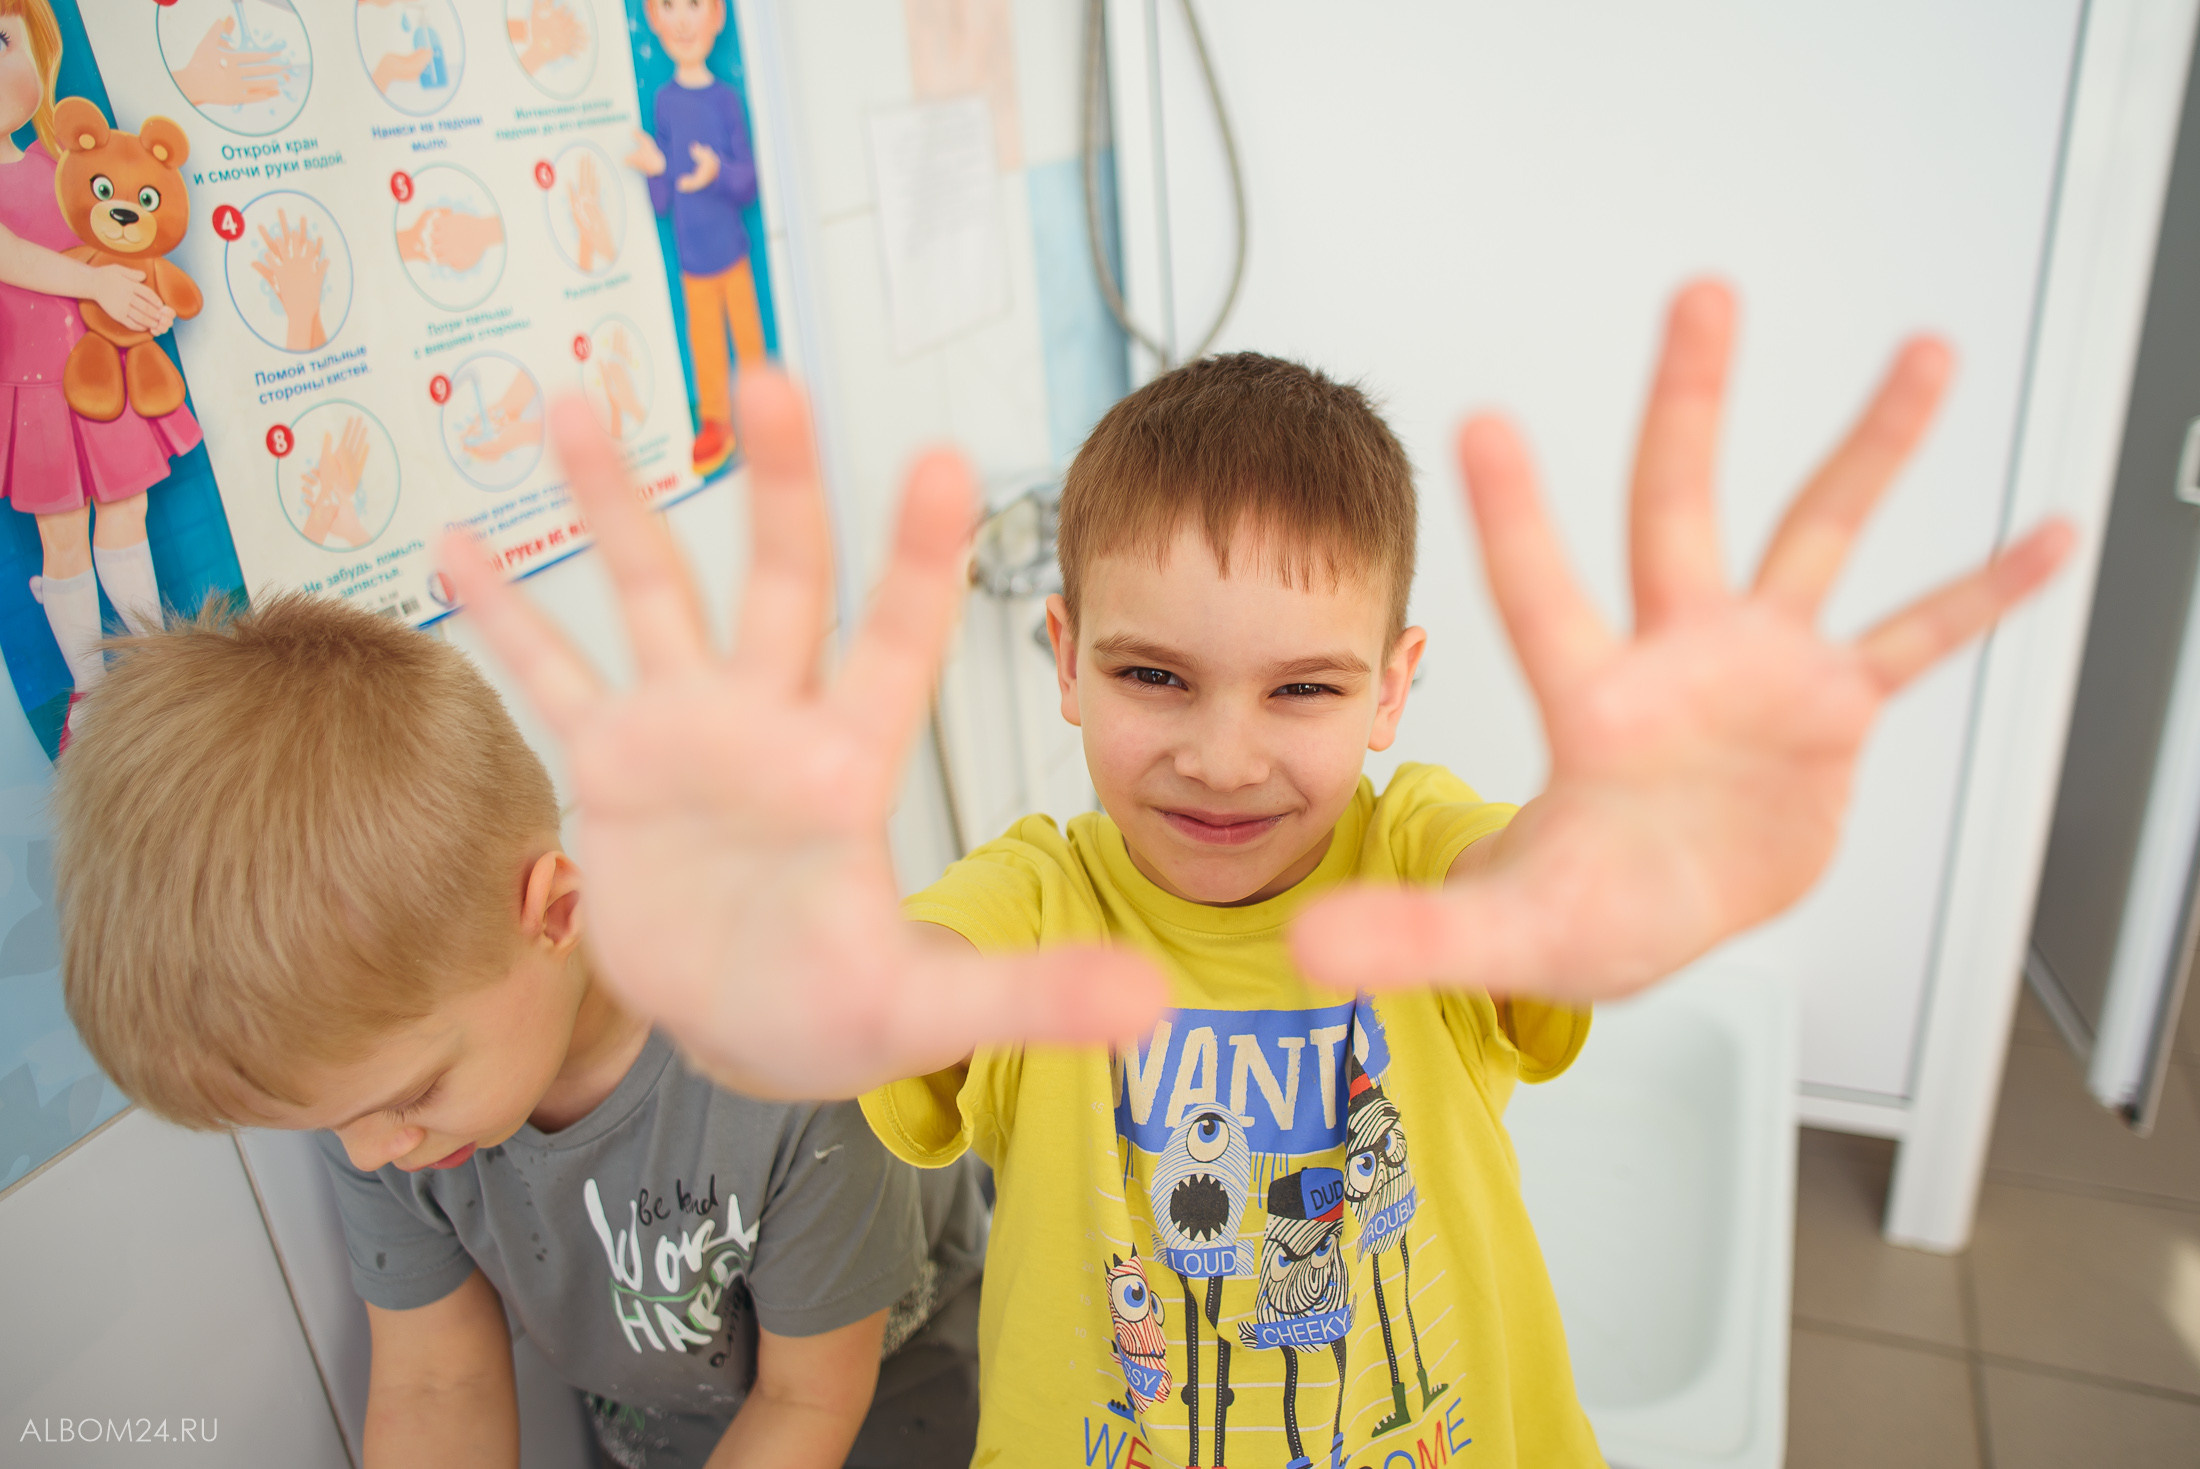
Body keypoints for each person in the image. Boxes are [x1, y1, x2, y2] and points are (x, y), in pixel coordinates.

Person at [445, 280, 2073, 1464]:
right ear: (1065, 656)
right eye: (1158, 676)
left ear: (1393, 680)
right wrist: (800, 979)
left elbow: (1526, 878)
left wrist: (1611, 844)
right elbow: (901, 984)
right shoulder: (1035, 895)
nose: (1225, 754)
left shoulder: (1422, 851)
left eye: (1302, 687)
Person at [52, 594, 985, 1469]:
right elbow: (435, 1378)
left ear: (552, 915)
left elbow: (807, 1403)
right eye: (334, 1122)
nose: (375, 1152)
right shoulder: (380, 1104)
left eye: (409, 1097)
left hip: (904, 1420)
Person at [0, 0, 199, 745]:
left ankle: (151, 659)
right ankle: (90, 689)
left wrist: (144, 293)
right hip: (32, 389)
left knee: (128, 511)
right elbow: (12, 258)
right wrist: (99, 286)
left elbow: (120, 228)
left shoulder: (63, 161)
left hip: (106, 375)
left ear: (42, 55)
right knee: (62, 535)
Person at [625, 0, 765, 477]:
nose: (683, 21)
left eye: (694, 5)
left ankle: (763, 414)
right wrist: (655, 169)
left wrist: (716, 172)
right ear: (653, 18)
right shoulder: (664, 103)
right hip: (693, 259)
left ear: (717, 16)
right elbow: (664, 200)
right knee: (705, 341)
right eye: (669, 6)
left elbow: (747, 181)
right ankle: (717, 422)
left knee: (747, 337)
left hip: (732, 252)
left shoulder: (725, 100)